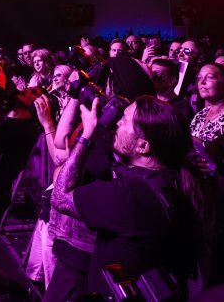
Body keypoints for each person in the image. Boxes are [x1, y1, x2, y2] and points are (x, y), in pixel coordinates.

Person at [52, 96, 203, 298]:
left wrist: (86, 135)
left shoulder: (130, 194)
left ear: (143, 146)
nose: (117, 123)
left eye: (124, 119)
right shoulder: (170, 180)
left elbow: (60, 197)